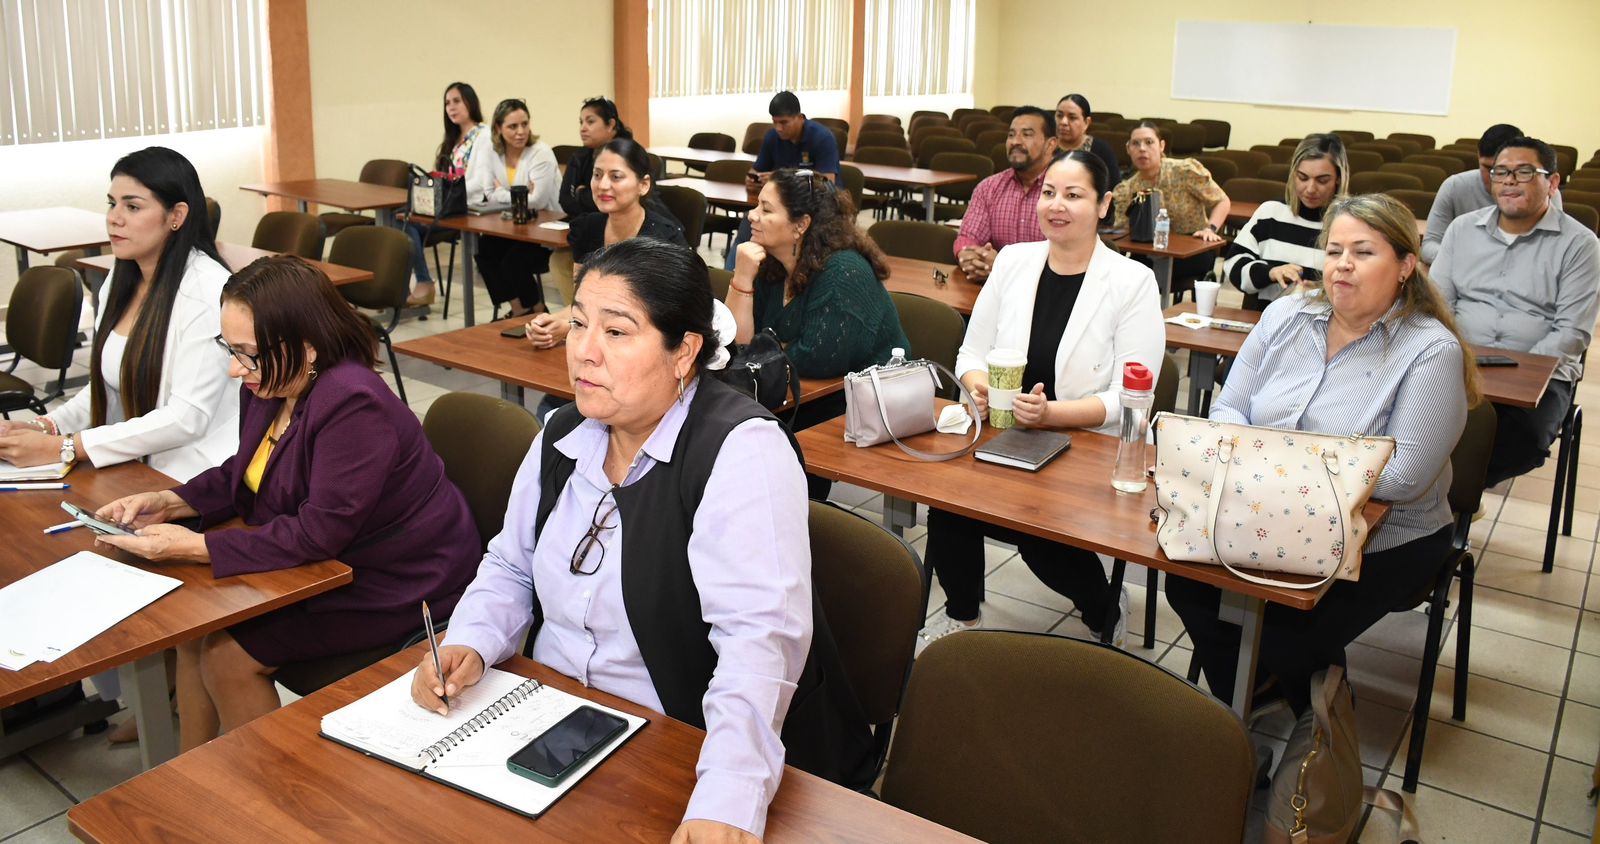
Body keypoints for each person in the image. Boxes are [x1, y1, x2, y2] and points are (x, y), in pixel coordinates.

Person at [410, 239, 873, 843]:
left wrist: (727, 798)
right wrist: (469, 638)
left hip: (684, 741)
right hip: (559, 723)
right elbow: (511, 565)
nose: (584, 352)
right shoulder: (561, 434)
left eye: (617, 332)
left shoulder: (739, 450)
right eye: (577, 323)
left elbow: (758, 644)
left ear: (684, 352)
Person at [93, 256, 481, 752]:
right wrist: (170, 502)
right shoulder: (271, 381)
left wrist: (195, 547)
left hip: (401, 578)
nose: (237, 368)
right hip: (337, 560)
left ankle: (270, 797)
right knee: (196, 632)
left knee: (227, 652)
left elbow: (320, 532)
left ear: (307, 347)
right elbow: (245, 472)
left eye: (247, 353)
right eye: (229, 349)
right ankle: (192, 774)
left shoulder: (352, 402)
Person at [1167, 193, 1477, 714]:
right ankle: (1258, 693)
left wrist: (1269, 460)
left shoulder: (1430, 350)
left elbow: (1401, 479)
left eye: (1363, 252)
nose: (1343, 265)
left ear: (1405, 265)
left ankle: (1316, 720)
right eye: (1333, 251)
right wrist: (1298, 466)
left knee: (1289, 634)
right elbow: (1227, 411)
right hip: (1265, 510)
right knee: (1187, 584)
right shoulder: (1286, 314)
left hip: (1387, 536)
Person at [919, 151, 1165, 649]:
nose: (1057, 205)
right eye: (1050, 193)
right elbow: (972, 350)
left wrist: (1052, 414)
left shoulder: (1131, 281)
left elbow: (1131, 397)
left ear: (1104, 204)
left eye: (1074, 195)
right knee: (949, 505)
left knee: (1038, 538)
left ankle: (1103, 608)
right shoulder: (1013, 261)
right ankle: (962, 616)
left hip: (1085, 443)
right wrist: (978, 385)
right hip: (1004, 430)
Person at [0, 146, 237, 481]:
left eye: (133, 206)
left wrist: (67, 447)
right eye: (112, 203)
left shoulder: (208, 291)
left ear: (177, 216)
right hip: (137, 465)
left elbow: (187, 417)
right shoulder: (120, 278)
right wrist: (45, 426)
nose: (115, 217)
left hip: (194, 475)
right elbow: (108, 384)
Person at [1433, 136, 1600, 488]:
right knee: (1409, 415)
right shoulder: (1462, 230)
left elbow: (1571, 332)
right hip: (1460, 360)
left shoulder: (1581, 245)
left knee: (1521, 441)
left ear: (1552, 182)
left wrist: (1512, 377)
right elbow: (1437, 306)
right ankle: (1443, 504)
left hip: (1540, 375)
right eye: (1501, 172)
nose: (1509, 180)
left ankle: (1452, 497)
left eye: (1524, 172)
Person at [726, 168, 908, 381]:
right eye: (757, 205)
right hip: (791, 392)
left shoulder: (843, 273)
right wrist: (742, 280)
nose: (752, 215)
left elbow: (815, 362)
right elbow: (735, 348)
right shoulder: (769, 262)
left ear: (801, 225)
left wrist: (763, 347)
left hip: (863, 400)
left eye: (766, 210)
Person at [526, 137, 688, 350]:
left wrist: (571, 326)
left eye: (616, 177)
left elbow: (656, 318)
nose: (603, 185)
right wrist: (553, 322)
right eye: (597, 175)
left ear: (644, 185)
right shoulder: (587, 228)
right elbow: (581, 302)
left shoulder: (663, 240)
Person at [1225, 134, 1350, 311]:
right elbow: (1233, 264)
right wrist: (1270, 273)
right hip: (1264, 321)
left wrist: (1322, 292)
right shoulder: (1271, 213)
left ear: (1338, 178)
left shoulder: (1349, 224)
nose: (1310, 189)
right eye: (1303, 177)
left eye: (1322, 180)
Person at [724, 91, 841, 271]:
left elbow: (827, 181)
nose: (778, 128)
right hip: (781, 205)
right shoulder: (772, 137)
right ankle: (732, 274)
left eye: (784, 122)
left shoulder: (822, 137)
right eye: (775, 122)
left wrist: (778, 178)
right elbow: (757, 168)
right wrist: (752, 178)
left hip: (815, 207)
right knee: (749, 220)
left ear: (800, 118)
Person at [1111, 121, 1230, 298]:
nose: (1142, 149)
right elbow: (1123, 230)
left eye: (1149, 142)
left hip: (1192, 250)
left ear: (1161, 146)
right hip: (1149, 252)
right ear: (1128, 149)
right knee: (1128, 274)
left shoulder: (1183, 171)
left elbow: (1222, 201)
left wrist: (1210, 228)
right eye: (1136, 143)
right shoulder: (1127, 188)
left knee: (1148, 276)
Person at [464, 98, 560, 315]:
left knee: (512, 262)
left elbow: (538, 201)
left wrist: (501, 192)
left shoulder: (540, 153)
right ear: (498, 128)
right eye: (512, 126)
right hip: (515, 226)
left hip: (546, 229)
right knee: (485, 252)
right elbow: (488, 193)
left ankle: (537, 309)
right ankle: (518, 309)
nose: (520, 132)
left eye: (525, 124)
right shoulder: (492, 152)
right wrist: (518, 194)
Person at [1422, 123, 1561, 264]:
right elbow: (1429, 246)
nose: (1500, 178)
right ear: (1478, 157)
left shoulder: (1545, 192)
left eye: (1509, 170)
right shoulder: (1454, 186)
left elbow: (1553, 251)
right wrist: (1469, 260)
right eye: (1488, 168)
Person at [953, 105, 1058, 283]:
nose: (1015, 141)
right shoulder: (989, 187)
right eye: (1011, 134)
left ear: (1051, 144)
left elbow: (1065, 259)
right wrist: (970, 257)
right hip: (995, 290)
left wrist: (1002, 266)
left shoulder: (1064, 191)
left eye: (1027, 134)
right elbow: (968, 237)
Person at [404, 82, 484, 308]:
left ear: (471, 102)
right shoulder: (452, 139)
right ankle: (401, 289)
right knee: (398, 218)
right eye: (447, 103)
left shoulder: (483, 136)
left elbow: (479, 181)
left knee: (406, 222)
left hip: (464, 209)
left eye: (457, 101)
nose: (451, 107)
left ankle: (424, 283)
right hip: (443, 207)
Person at [558, 96, 632, 217]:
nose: (583, 129)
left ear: (610, 125)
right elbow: (565, 201)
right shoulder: (579, 157)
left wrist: (580, 193)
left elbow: (619, 204)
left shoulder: (628, 156)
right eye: (581, 122)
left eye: (590, 121)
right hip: (587, 225)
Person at [1054, 94, 1120, 199]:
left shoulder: (1101, 151)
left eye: (1072, 117)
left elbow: (1113, 191)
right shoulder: (1046, 148)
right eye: (1059, 116)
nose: (1063, 122)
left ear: (1086, 122)